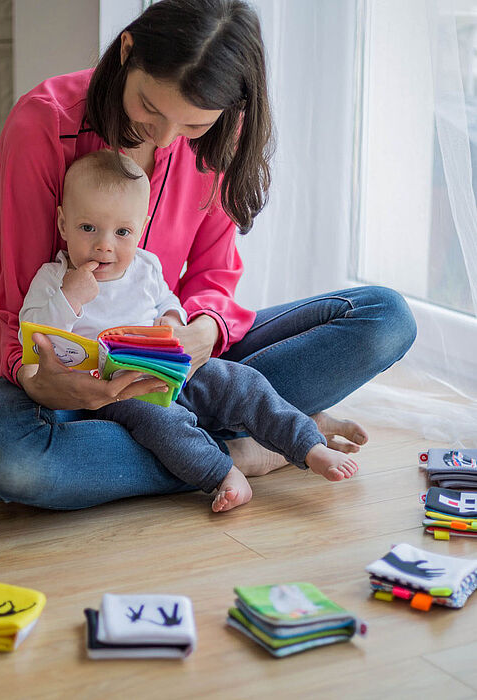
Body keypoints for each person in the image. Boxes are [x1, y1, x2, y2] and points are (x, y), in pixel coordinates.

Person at [0, 0, 416, 510]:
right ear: (127, 51)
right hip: (73, 381)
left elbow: (214, 273)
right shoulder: (43, 124)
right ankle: (249, 445)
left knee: (385, 316)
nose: (167, 137)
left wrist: (200, 332)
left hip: (182, 367)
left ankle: (220, 435)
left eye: (192, 126)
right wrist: (43, 384)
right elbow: (18, 304)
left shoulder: (221, 132)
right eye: (150, 108)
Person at [20, 150, 359, 513]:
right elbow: (37, 337)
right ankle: (222, 472)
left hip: (170, 368)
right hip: (118, 392)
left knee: (241, 381)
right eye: (88, 228)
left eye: (122, 232)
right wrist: (69, 297)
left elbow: (170, 300)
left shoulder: (145, 267)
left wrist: (172, 321)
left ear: (141, 226)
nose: (105, 245)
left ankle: (309, 445)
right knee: (164, 423)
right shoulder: (53, 278)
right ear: (62, 224)